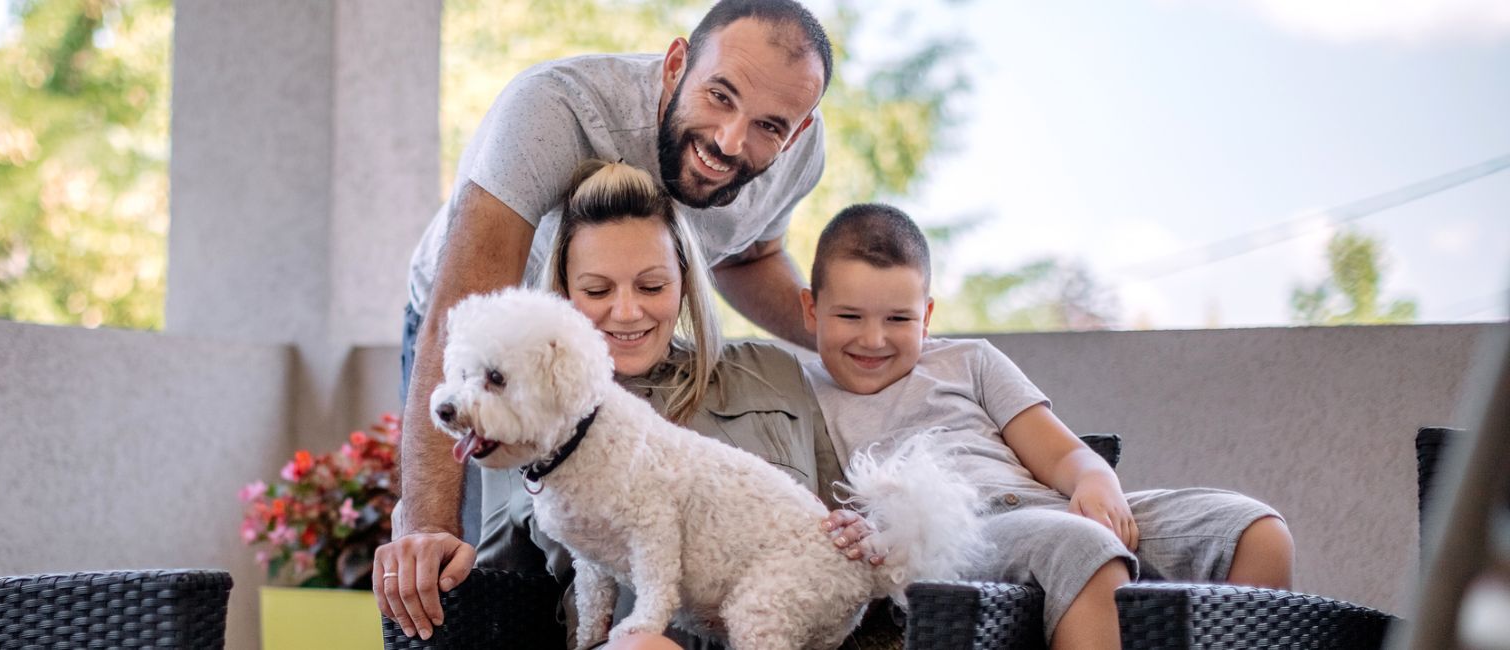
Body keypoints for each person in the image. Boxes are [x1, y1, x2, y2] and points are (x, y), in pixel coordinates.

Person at [383, 0, 836, 640]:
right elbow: (460, 310)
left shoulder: (799, 153)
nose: (732, 141)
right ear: (677, 64)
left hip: (615, 347)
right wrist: (428, 523)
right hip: (477, 334)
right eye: (719, 96)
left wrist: (858, 338)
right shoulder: (552, 110)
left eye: (769, 126)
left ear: (800, 127)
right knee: (471, 572)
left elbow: (748, 255)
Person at [798, 204, 1297, 650]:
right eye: (849, 315)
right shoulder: (798, 392)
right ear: (811, 308)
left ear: (926, 316)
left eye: (898, 319)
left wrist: (1095, 481)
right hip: (964, 536)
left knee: (1255, 530)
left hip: (1056, 506)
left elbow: (1061, 454)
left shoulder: (970, 360)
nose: (874, 338)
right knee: (1083, 549)